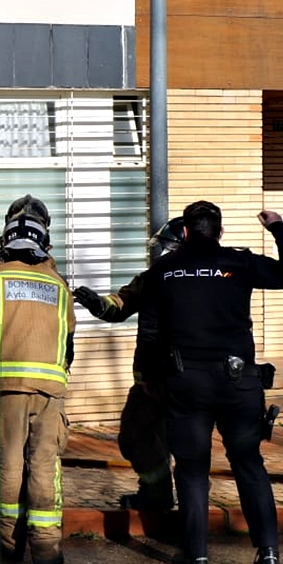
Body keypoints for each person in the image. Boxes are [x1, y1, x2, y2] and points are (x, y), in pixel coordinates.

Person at [139, 201, 283, 564]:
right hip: (239, 383)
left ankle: (197, 558)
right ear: (219, 231)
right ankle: (268, 555)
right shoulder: (238, 262)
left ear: (184, 232)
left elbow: (148, 332)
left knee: (193, 471)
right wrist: (277, 228)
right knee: (248, 465)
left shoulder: (162, 270)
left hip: (186, 384)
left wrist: (148, 378)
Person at [0, 203, 76, 564]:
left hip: (5, 386)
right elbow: (69, 342)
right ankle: (46, 549)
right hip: (50, 390)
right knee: (45, 466)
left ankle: (9, 543)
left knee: (9, 465)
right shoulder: (58, 283)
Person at [72, 216, 185, 512]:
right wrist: (97, 303)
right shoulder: (152, 278)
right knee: (137, 435)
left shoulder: (206, 280)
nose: (161, 254)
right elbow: (120, 305)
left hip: (180, 378)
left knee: (182, 443)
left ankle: (182, 503)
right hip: (155, 380)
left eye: (167, 248)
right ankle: (158, 493)